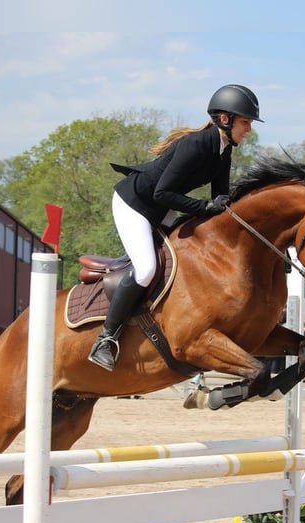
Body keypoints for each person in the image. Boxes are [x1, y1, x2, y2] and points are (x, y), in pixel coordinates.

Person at [88, 84, 263, 371]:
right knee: (146, 269)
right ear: (224, 119)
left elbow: (219, 199)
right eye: (246, 122)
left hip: (163, 205)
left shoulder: (223, 150)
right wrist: (205, 208)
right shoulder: (195, 145)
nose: (250, 129)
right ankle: (106, 338)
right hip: (135, 204)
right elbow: (162, 194)